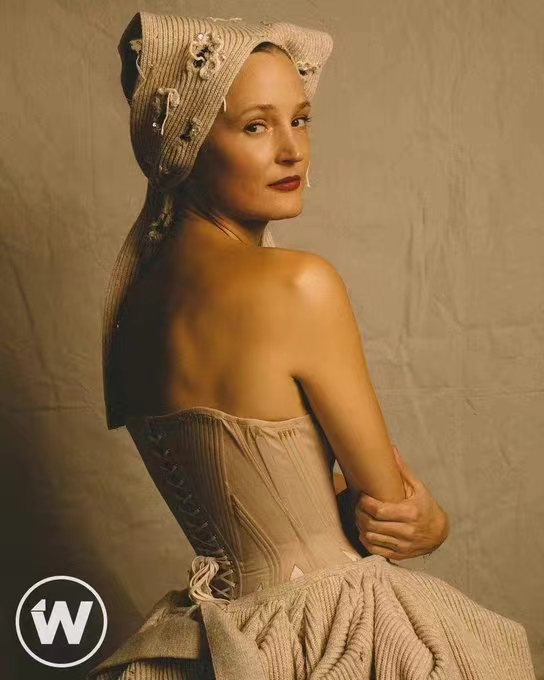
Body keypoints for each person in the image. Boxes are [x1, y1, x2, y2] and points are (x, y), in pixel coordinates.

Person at [87, 12, 535, 680]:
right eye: (256, 126)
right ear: (188, 144)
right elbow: (389, 511)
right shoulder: (298, 285)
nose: (292, 150)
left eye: (299, 120)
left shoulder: (132, 309)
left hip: (219, 642)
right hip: (331, 630)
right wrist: (431, 523)